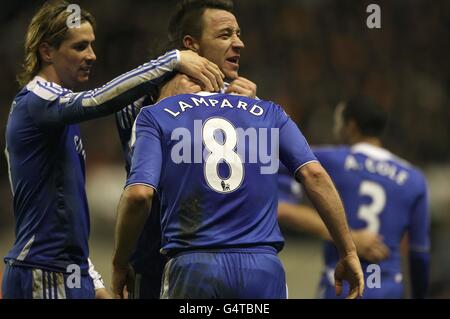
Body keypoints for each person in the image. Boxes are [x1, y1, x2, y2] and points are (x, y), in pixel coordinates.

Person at [2, 0, 223, 299]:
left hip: (69, 271)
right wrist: (171, 61)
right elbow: (97, 100)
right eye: (80, 47)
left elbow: (66, 212)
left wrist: (91, 280)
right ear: (46, 51)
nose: (92, 55)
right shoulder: (36, 101)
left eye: (92, 46)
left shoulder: (58, 116)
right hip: (41, 272)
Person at [111, 88, 365, 298]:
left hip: (193, 266)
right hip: (262, 268)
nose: (238, 42)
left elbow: (138, 195)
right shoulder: (268, 111)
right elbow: (315, 175)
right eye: (228, 34)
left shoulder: (156, 115)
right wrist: (349, 251)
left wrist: (120, 262)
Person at [114, 0, 257, 299]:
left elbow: (256, 186)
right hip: (154, 262)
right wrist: (164, 93)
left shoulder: (243, 100)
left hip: (226, 261)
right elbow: (140, 182)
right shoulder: (146, 98)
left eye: (238, 33)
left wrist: (252, 116)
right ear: (191, 45)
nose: (239, 43)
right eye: (226, 34)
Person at [284, 96, 429, 299]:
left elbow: (276, 194)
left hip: (341, 287)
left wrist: (347, 238)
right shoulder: (415, 179)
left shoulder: (327, 160)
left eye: (337, 122)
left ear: (350, 126)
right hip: (388, 289)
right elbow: (419, 254)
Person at [277, 163, 391, 264]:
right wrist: (348, 239)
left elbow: (282, 209)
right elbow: (281, 209)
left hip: (338, 276)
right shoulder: (406, 174)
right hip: (388, 277)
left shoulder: (331, 157)